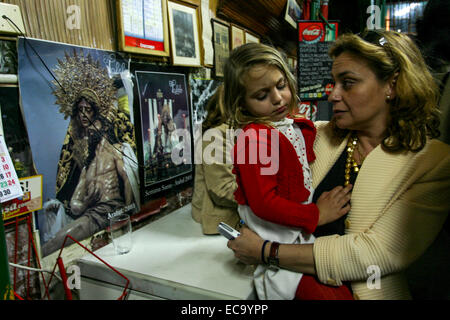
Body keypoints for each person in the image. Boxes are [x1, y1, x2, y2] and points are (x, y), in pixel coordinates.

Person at [227, 30, 450, 300]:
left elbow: (375, 255)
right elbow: (260, 190)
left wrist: (266, 251)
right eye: (334, 82)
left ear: (391, 85)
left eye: (348, 83)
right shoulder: (315, 135)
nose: (332, 95)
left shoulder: (433, 162)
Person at [226, 43, 354, 300]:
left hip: (297, 238)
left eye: (281, 85)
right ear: (242, 104)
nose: (277, 98)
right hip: (278, 243)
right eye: (262, 95)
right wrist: (316, 215)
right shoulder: (255, 138)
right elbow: (264, 203)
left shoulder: (287, 126)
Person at [192, 86, 240, 234]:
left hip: (237, 220)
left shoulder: (237, 130)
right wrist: (264, 197)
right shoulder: (217, 135)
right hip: (223, 223)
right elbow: (222, 190)